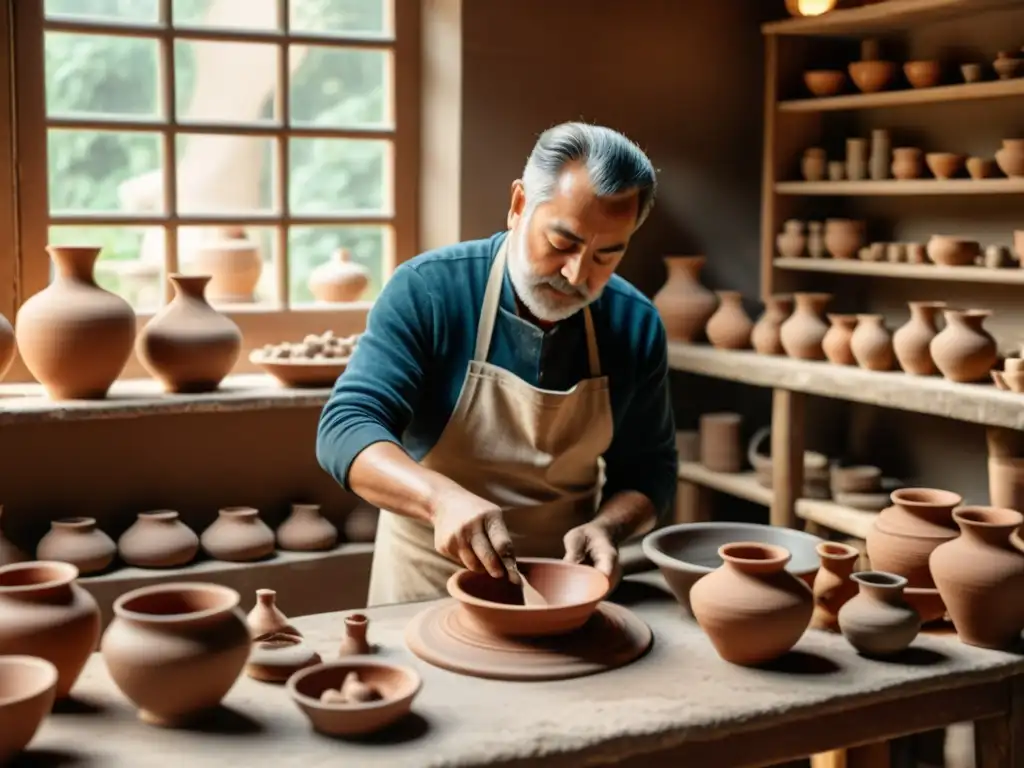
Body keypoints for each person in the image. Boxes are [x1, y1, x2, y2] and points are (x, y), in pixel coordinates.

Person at [316, 121, 678, 607]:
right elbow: (345, 427)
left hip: (561, 592)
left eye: (606, 256)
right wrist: (438, 499)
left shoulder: (634, 325)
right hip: (426, 586)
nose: (577, 274)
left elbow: (650, 471)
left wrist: (609, 527)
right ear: (518, 205)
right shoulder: (428, 291)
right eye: (562, 243)